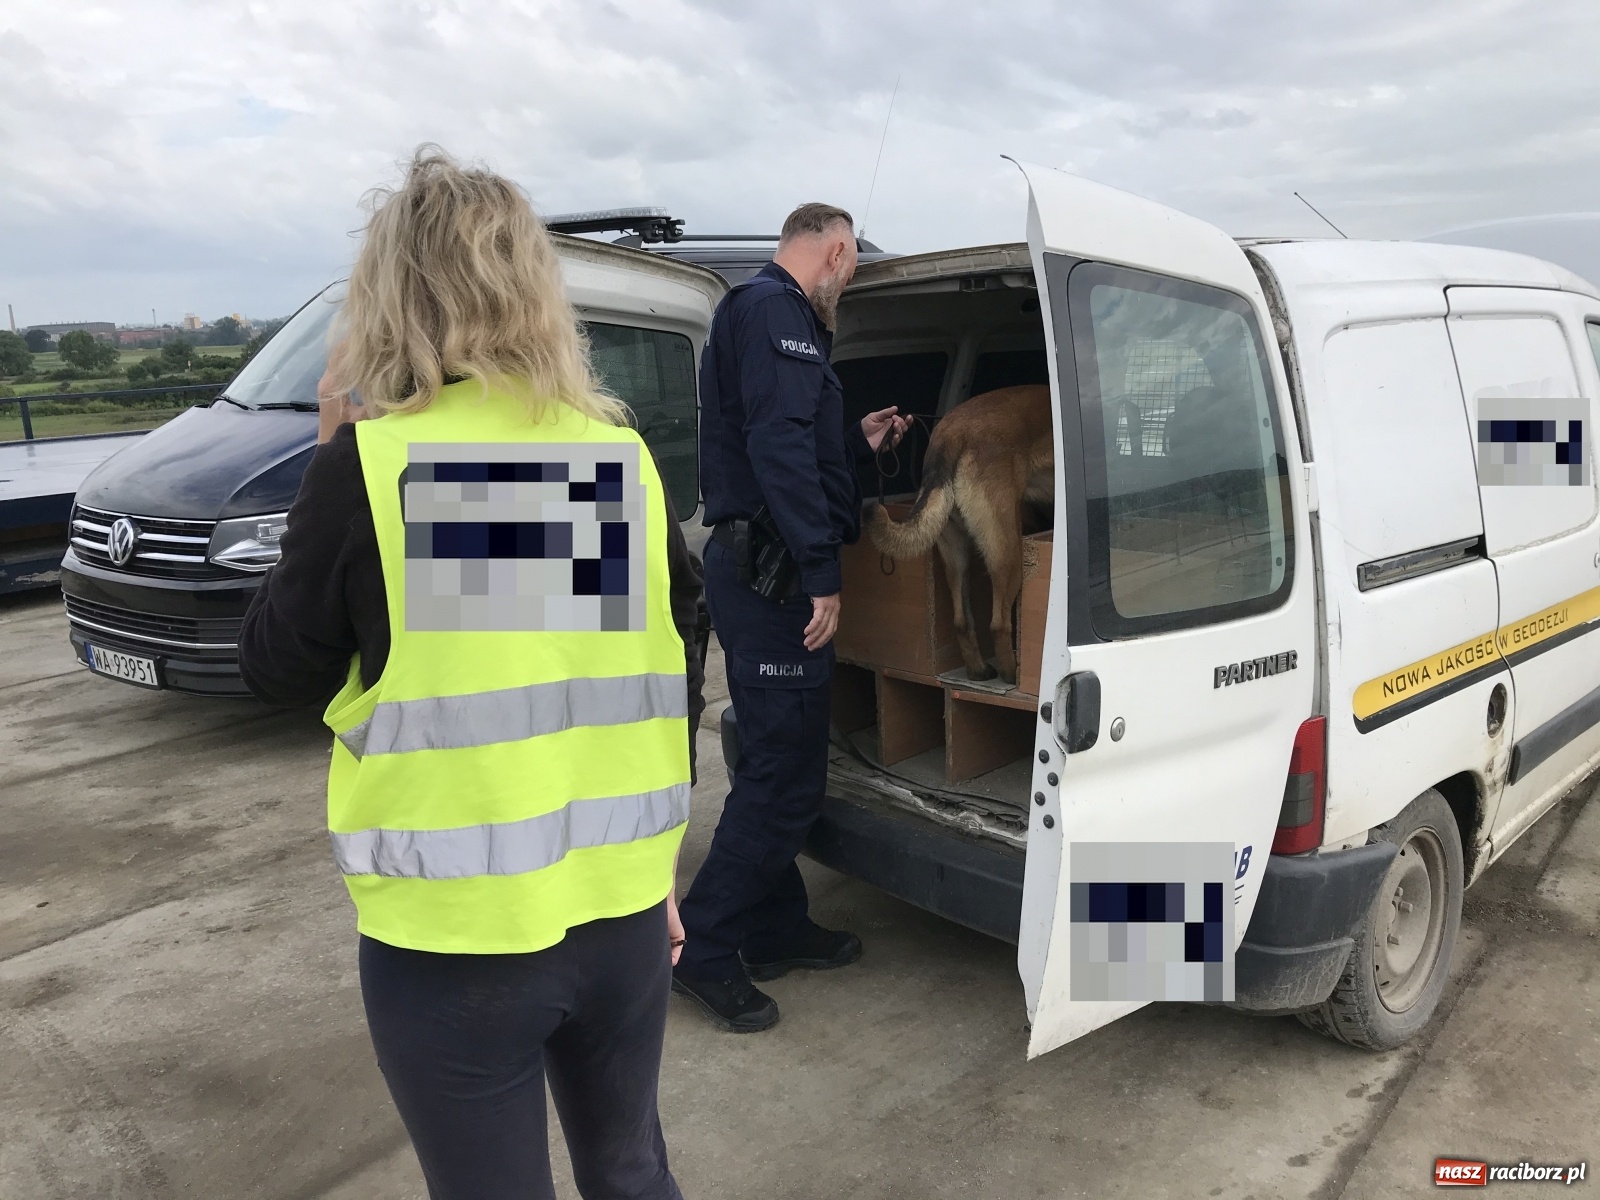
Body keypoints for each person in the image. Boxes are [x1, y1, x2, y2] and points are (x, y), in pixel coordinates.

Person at [238, 147, 703, 1200]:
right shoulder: (617, 463)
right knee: (631, 1167)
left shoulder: (375, 467)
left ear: (389, 298)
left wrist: (331, 439)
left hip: (454, 941)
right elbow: (670, 661)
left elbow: (273, 670)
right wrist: (657, 870)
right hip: (622, 911)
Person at [673, 202, 907, 1032]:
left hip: (759, 569)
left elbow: (790, 440)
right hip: (773, 580)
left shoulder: (761, 313)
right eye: (849, 266)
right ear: (836, 251)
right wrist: (820, 575)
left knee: (776, 764)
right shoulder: (778, 311)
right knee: (783, 777)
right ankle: (703, 949)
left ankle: (775, 929)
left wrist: (855, 443)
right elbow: (775, 448)